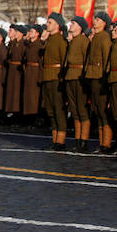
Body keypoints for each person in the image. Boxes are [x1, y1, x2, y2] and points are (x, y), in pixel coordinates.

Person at [85, 12, 113, 152]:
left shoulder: (104, 38)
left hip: (100, 77)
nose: (94, 22)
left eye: (98, 20)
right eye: (95, 19)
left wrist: (105, 78)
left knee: (102, 111)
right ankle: (102, 142)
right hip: (93, 77)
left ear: (104, 23)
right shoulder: (96, 37)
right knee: (97, 110)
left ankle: (106, 143)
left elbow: (107, 58)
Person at [42, 13, 69, 150]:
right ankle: (55, 139)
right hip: (47, 76)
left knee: (58, 109)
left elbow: (64, 61)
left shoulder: (60, 40)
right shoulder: (49, 40)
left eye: (50, 22)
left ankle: (61, 141)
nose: (47, 25)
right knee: (51, 110)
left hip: (56, 78)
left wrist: (62, 80)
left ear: (57, 25)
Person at [65, 16, 91, 151]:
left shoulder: (83, 41)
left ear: (80, 27)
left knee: (82, 110)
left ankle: (84, 141)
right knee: (75, 110)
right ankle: (77, 139)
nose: (71, 26)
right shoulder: (73, 41)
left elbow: (87, 60)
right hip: (71, 77)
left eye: (73, 23)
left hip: (80, 77)